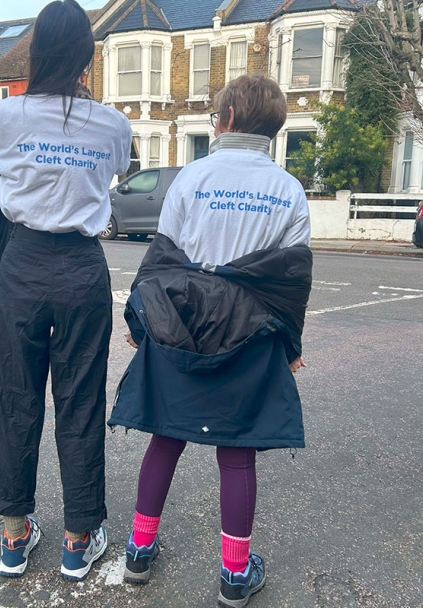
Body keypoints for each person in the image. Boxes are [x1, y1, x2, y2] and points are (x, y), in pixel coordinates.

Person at [109, 75, 312, 607]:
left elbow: (162, 260)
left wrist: (141, 326)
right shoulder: (288, 189)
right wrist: (290, 347)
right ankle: (234, 577)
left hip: (181, 323)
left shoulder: (192, 178)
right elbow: (291, 279)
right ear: (275, 126)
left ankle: (138, 552)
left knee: (166, 434)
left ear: (223, 120)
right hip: (250, 331)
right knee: (237, 450)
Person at [0, 0, 132, 582]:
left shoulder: (6, 116)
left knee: (16, 398)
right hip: (83, 269)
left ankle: (15, 539)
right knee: (80, 401)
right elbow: (115, 169)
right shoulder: (112, 124)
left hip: (23, 264)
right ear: (88, 56)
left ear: (36, 52)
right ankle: (76, 539)